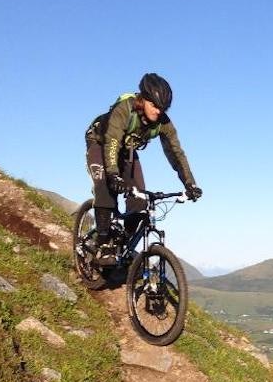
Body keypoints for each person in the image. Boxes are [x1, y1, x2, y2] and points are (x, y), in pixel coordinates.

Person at [84, 73, 202, 266]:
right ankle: (102, 244)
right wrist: (113, 174)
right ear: (143, 99)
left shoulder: (164, 123)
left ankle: (122, 245)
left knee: (140, 201)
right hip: (100, 143)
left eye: (163, 108)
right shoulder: (125, 109)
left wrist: (190, 183)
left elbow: (176, 153)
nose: (158, 111)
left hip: (128, 151)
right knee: (104, 187)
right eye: (154, 105)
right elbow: (112, 142)